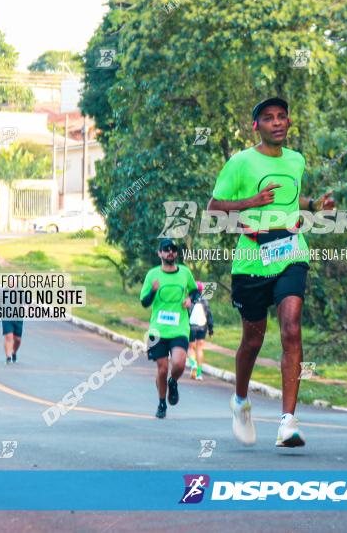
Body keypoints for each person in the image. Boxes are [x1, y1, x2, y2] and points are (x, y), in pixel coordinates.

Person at [207, 96, 334, 448]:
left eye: (281, 117)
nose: (276, 122)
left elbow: (291, 200)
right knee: (253, 339)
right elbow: (214, 207)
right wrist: (250, 202)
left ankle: (288, 422)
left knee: (291, 328)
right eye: (268, 118)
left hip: (292, 249)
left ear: (288, 123)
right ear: (256, 126)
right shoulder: (241, 163)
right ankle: (240, 401)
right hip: (252, 257)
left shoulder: (296, 160)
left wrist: (315, 205)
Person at [139, 238, 199, 419]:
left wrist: (191, 300)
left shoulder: (185, 273)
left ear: (176, 253)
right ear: (160, 253)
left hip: (179, 328)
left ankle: (173, 382)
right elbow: (144, 302)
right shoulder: (152, 275)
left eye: (173, 249)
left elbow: (195, 291)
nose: (170, 252)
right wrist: (153, 291)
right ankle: (162, 403)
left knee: (180, 363)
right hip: (157, 330)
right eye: (166, 250)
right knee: (162, 369)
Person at [188, 281, 214, 381]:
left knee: (190, 347)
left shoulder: (189, 299)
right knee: (199, 349)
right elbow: (209, 315)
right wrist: (211, 329)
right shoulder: (205, 300)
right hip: (203, 327)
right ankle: (199, 374)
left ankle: (193, 364)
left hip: (191, 327)